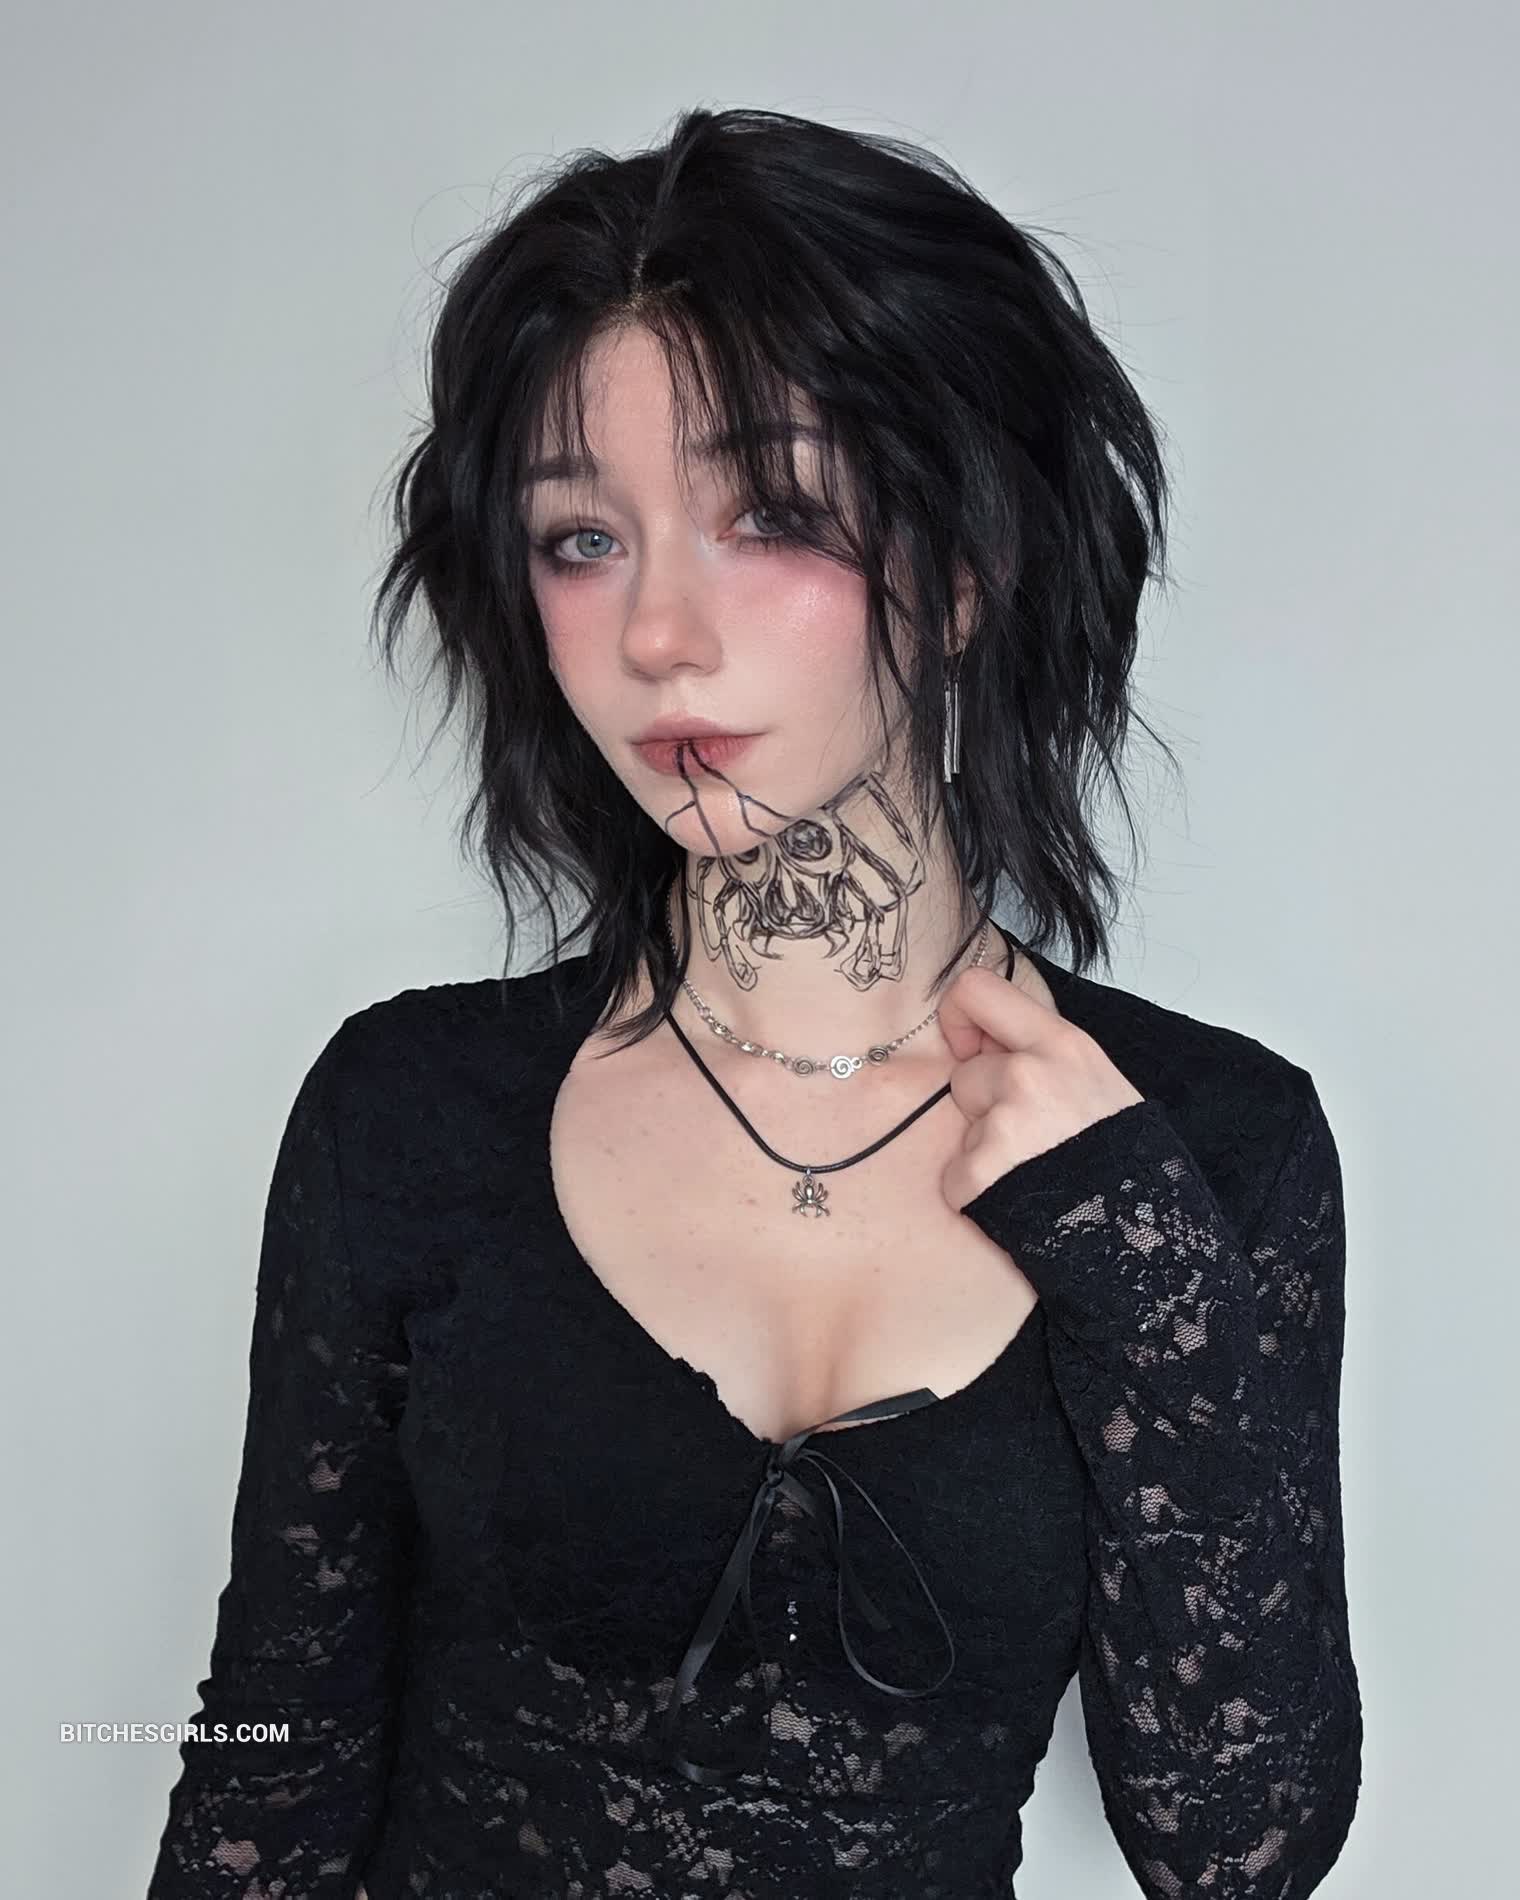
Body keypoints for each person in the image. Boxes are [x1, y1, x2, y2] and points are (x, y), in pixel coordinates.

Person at [146, 106, 1362, 1899]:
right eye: (582, 540)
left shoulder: (1208, 1150)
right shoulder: (407, 1108)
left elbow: (1234, 1848)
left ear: (965, 567)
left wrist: (1137, 1260)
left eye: (772, 515)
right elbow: (277, 1750)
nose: (656, 632)